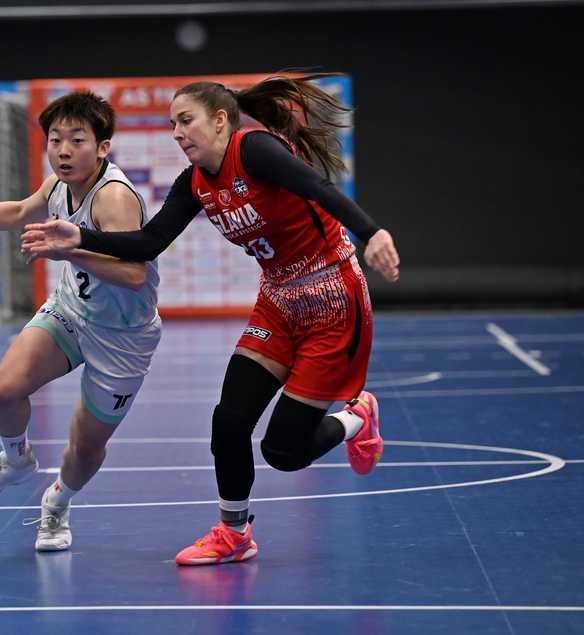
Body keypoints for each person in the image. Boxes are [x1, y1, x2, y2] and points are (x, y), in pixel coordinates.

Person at [21, 74, 400, 565]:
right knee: (228, 422)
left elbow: (319, 187)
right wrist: (79, 238)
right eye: (172, 125)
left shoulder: (255, 150)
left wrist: (372, 233)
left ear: (220, 121)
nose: (178, 133)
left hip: (333, 302)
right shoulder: (194, 182)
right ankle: (234, 534)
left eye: (186, 121)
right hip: (278, 302)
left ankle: (357, 416)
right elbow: (149, 242)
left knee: (284, 452)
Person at [0, 91, 161, 552]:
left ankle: (58, 502)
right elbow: (16, 211)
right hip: (71, 311)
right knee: (3, 391)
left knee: (85, 448)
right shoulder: (57, 187)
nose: (64, 150)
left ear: (103, 147)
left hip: (123, 337)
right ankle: (16, 460)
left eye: (77, 140)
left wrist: (69, 251)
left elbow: (133, 275)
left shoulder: (113, 199)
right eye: (55, 140)